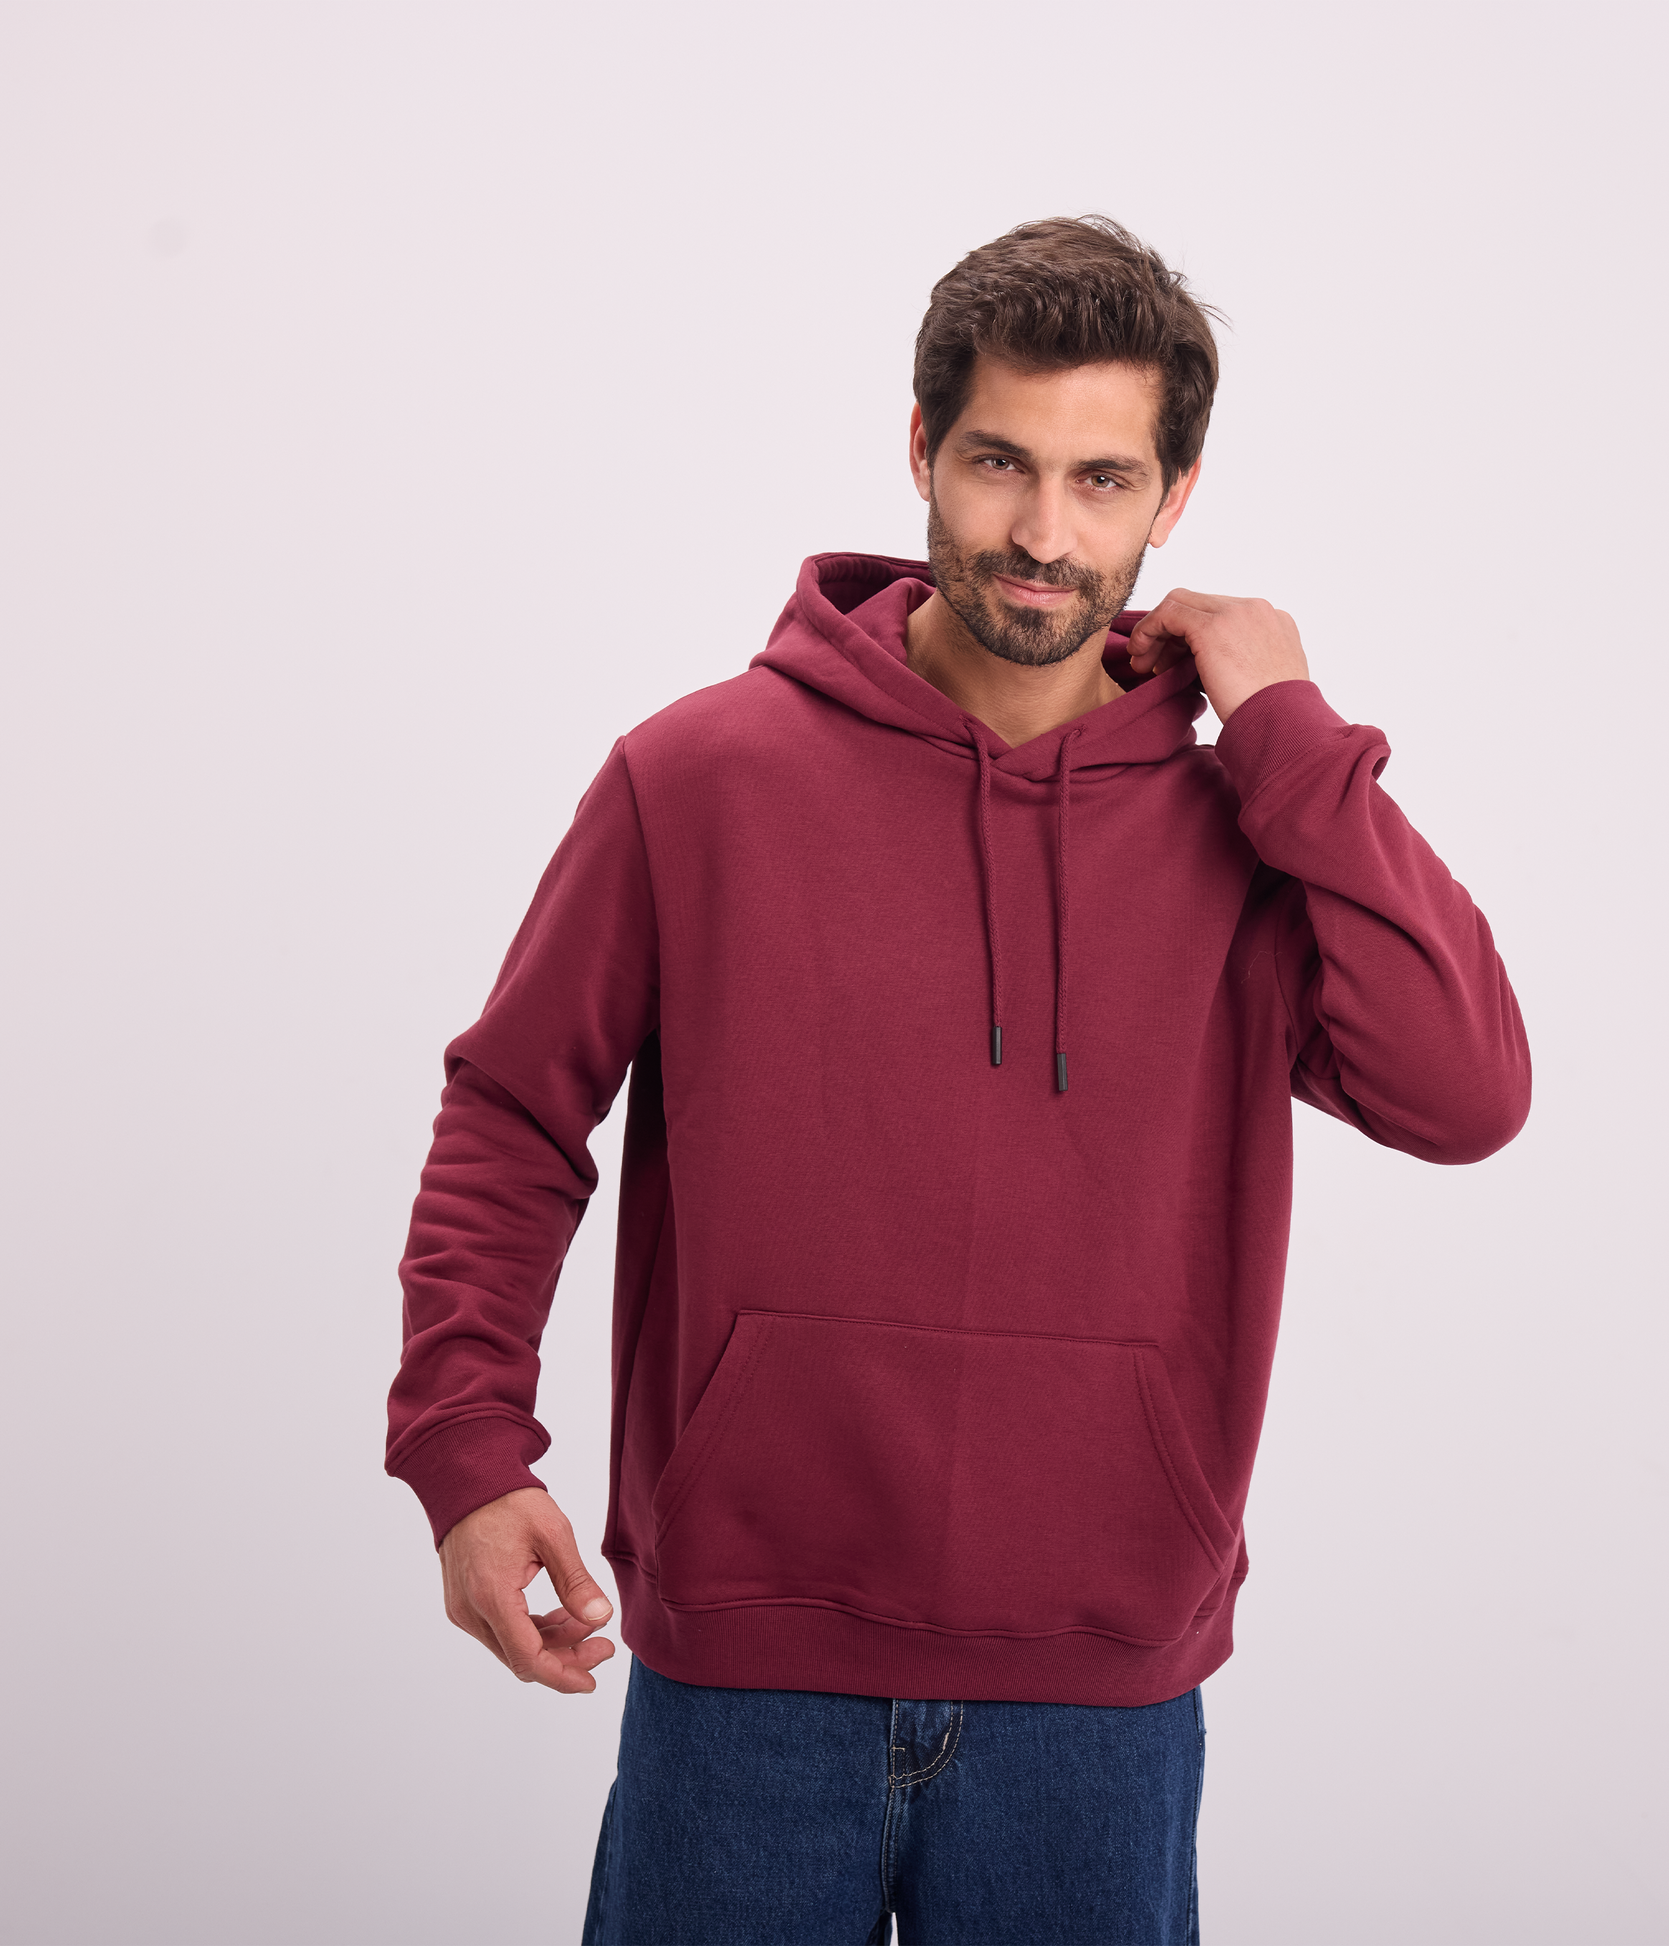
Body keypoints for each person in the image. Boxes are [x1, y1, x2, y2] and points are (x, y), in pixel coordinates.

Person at [385, 214, 1531, 1945]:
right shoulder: (696, 778)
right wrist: (466, 1451)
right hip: (745, 1667)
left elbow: (1464, 1093)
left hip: (1098, 1694)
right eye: (1001, 461)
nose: (1044, 533)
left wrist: (1292, 737)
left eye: (1100, 479)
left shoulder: (1246, 829)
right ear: (921, 445)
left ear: (1173, 499)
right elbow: (514, 1114)